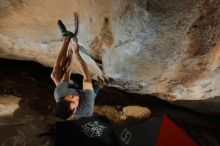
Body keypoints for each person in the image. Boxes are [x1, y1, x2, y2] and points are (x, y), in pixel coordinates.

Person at [50, 19, 102, 119]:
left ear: (62, 98)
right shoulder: (87, 108)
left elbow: (66, 73)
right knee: (95, 88)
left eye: (69, 97)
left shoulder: (59, 93)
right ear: (74, 110)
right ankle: (101, 84)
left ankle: (66, 38)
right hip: (85, 96)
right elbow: (86, 78)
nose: (74, 97)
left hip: (72, 88)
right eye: (74, 101)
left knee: (54, 76)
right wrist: (77, 55)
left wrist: (71, 52)